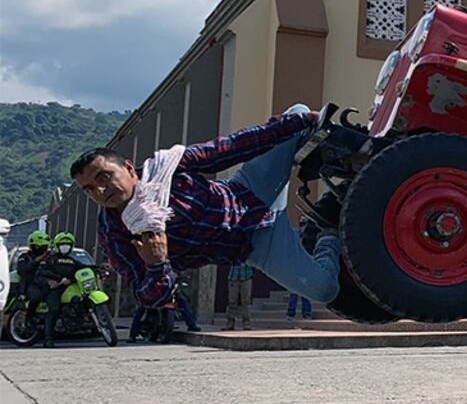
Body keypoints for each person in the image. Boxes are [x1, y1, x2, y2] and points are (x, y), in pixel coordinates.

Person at [69, 105, 342, 317]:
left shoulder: (166, 168)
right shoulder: (114, 234)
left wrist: (295, 124)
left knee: (298, 114)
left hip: (251, 191)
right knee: (323, 289)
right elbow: (149, 296)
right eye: (90, 189)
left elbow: (228, 148)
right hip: (256, 245)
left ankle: (342, 160)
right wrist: (156, 264)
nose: (100, 191)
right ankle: (328, 233)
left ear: (129, 168)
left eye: (104, 177)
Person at [23, 232, 80, 347]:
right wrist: (50, 281)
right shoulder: (46, 259)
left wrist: (100, 268)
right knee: (53, 308)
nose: (65, 247)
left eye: (68, 244)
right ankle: (47, 338)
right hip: (43, 286)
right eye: (63, 244)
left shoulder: (72, 261)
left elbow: (83, 268)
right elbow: (38, 273)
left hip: (62, 287)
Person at [225, 262, 254, 330]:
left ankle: (246, 322)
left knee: (246, 301)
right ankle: (230, 322)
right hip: (233, 276)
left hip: (246, 275)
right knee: (232, 300)